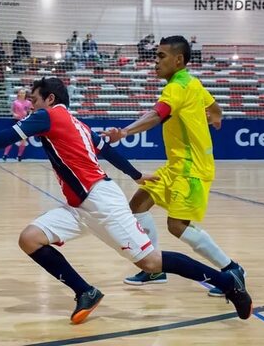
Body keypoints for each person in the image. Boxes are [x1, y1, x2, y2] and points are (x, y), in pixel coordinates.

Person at [0, 76, 252, 324]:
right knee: (30, 238)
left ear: (49, 99)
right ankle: (85, 291)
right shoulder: (78, 124)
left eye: (33, 99)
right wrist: (136, 175)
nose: (30, 105)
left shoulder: (47, 115)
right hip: (80, 205)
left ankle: (228, 283)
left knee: (151, 263)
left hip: (100, 201)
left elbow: (7, 136)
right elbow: (106, 149)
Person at [102, 36, 244, 297]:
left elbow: (157, 115)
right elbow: (215, 108)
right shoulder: (192, 82)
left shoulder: (177, 87)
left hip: (191, 168)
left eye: (161, 56)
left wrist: (123, 133)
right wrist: (215, 118)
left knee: (177, 225)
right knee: (139, 204)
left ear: (178, 60)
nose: (155, 62)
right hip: (177, 165)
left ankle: (232, 270)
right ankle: (155, 268)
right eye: (155, 56)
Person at [2, 89, 32, 161]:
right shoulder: (15, 102)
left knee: (23, 139)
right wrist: (14, 114)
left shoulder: (28, 103)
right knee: (11, 139)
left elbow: (30, 110)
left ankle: (19, 156)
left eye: (23, 93)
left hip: (24, 122)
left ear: (25, 94)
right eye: (20, 93)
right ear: (18, 94)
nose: (22, 94)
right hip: (16, 121)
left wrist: (28, 114)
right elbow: (12, 110)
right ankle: (5, 154)